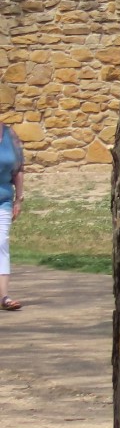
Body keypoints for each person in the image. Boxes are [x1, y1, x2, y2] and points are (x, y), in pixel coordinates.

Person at [0, 119, 22, 311]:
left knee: (1, 243)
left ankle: (4, 297)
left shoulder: (10, 135)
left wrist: (19, 199)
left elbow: (18, 169)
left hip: (4, 200)